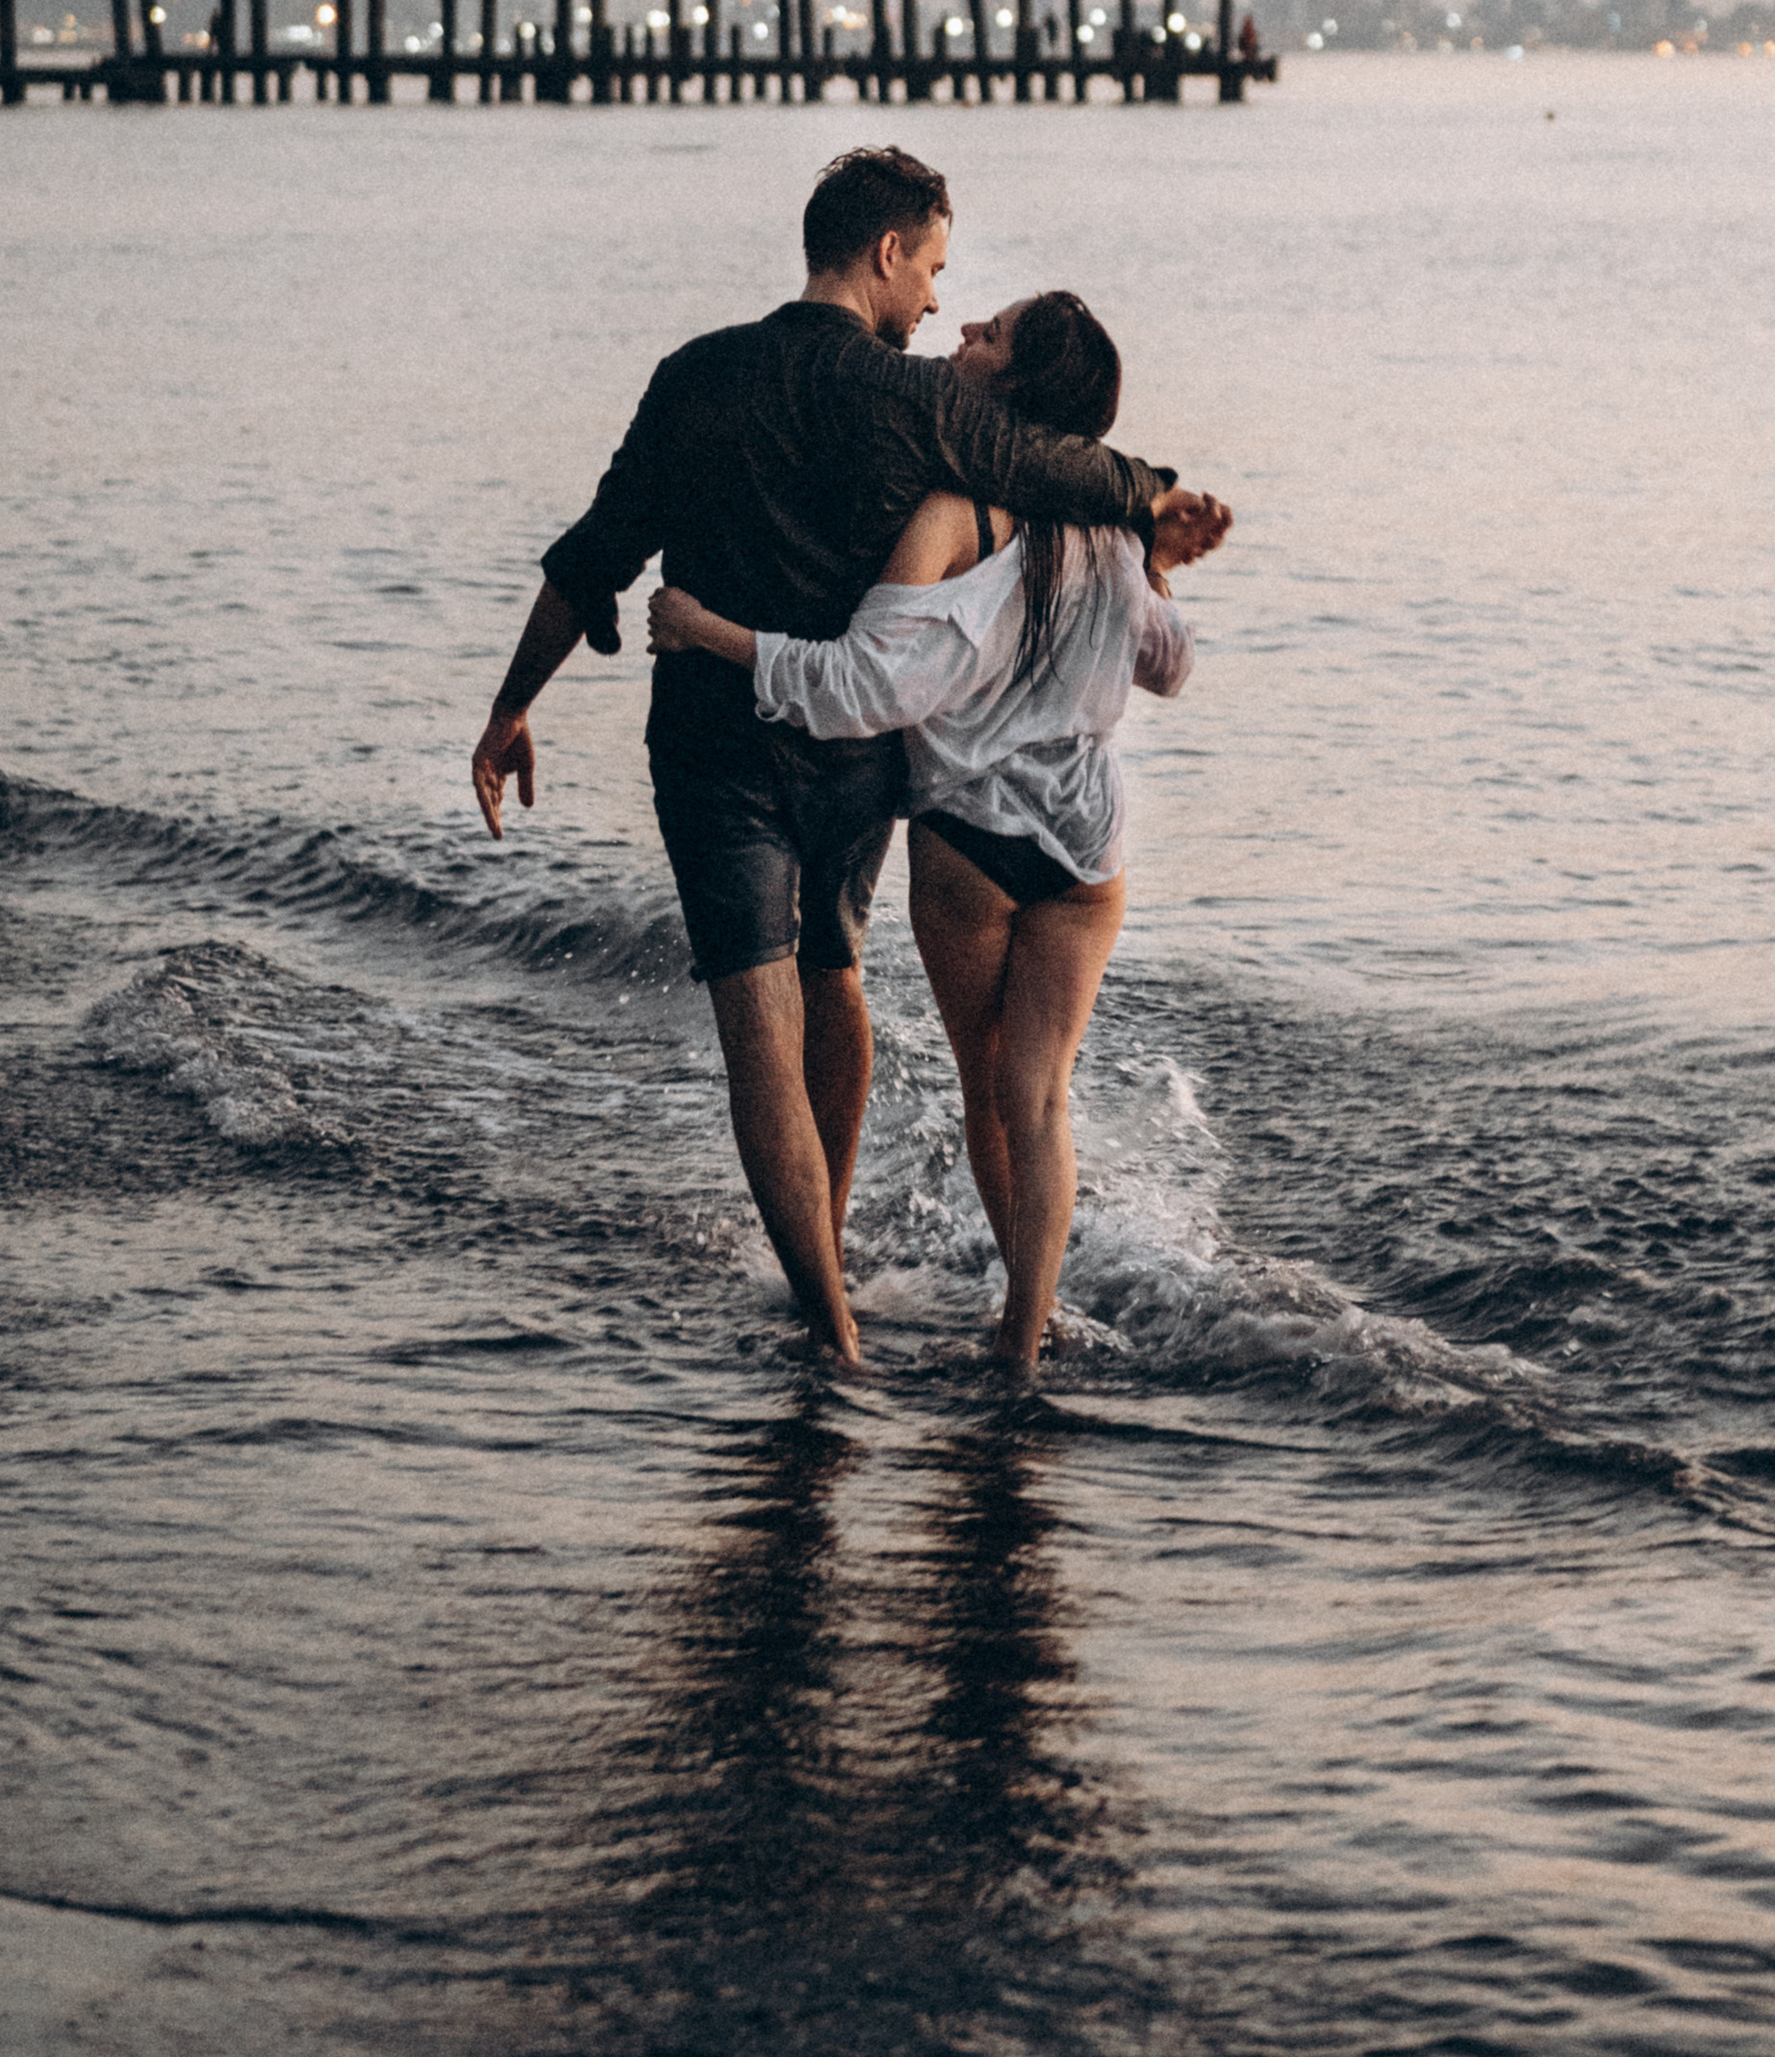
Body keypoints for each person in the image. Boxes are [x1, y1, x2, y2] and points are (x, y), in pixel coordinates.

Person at [468, 149, 1230, 1373]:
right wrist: (1149, 496)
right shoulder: (917, 402)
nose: (937, 296)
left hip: (715, 750)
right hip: (857, 765)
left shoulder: (693, 374)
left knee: (757, 1032)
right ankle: (889, 1284)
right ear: (884, 252)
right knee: (838, 982)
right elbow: (1057, 464)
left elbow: (592, 552)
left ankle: (828, 1324)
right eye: (930, 265)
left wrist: (511, 704)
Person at [649, 286, 1186, 1378]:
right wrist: (1157, 562)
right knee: (1040, 1095)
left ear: (1018, 385)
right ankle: (1022, 1333)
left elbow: (864, 685)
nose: (963, 326)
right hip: (1090, 847)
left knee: (990, 1083)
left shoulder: (955, 512)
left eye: (989, 331)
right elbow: (1170, 663)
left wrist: (710, 630)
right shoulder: (1114, 529)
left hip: (971, 836)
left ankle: (967, 1330)